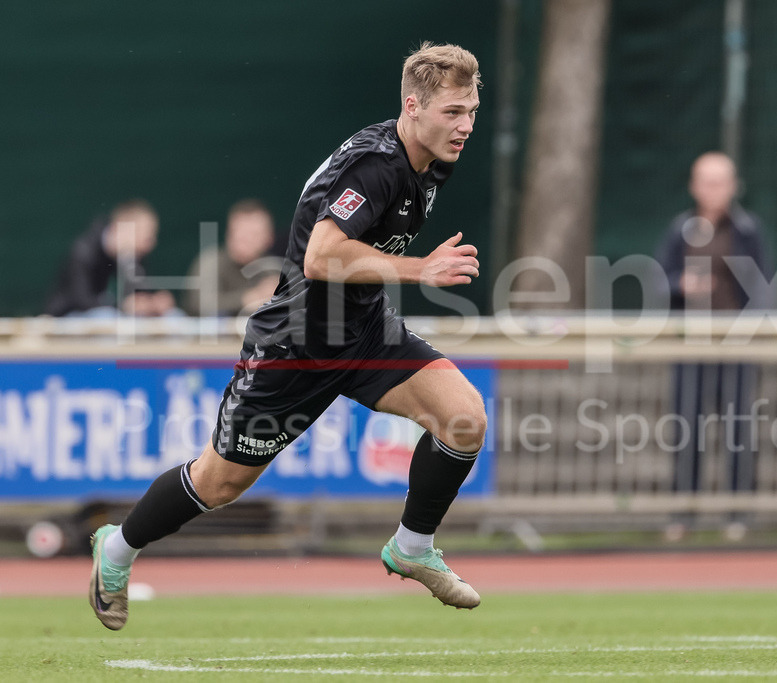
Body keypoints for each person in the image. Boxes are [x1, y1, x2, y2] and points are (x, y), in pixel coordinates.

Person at [89, 42, 486, 630]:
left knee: (464, 419)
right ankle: (117, 549)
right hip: (296, 346)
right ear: (413, 106)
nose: (465, 125)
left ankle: (412, 547)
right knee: (219, 483)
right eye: (452, 112)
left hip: (365, 331)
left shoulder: (433, 157)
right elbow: (321, 257)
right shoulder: (375, 167)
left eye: (472, 111)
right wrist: (419, 269)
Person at [654, 152, 770, 493]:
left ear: (733, 186)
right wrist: (681, 284)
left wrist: (753, 328)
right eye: (706, 182)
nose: (713, 189)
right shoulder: (680, 229)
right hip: (690, 346)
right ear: (694, 186)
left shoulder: (748, 230)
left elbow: (763, 285)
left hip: (735, 347)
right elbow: (658, 278)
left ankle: (739, 508)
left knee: (738, 430)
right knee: (687, 428)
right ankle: (685, 507)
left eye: (719, 182)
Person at [45, 199, 178, 317]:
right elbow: (81, 301)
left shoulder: (134, 257)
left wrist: (152, 303)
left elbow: (139, 295)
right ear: (120, 229)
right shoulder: (83, 252)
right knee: (105, 317)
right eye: (144, 238)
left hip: (115, 315)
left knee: (174, 315)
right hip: (69, 317)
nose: (149, 245)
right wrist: (123, 306)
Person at [183, 199, 283, 317]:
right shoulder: (211, 262)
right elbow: (200, 304)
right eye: (239, 232)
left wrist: (278, 296)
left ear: (269, 239)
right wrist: (248, 298)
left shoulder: (273, 268)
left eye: (254, 234)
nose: (245, 239)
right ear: (228, 234)